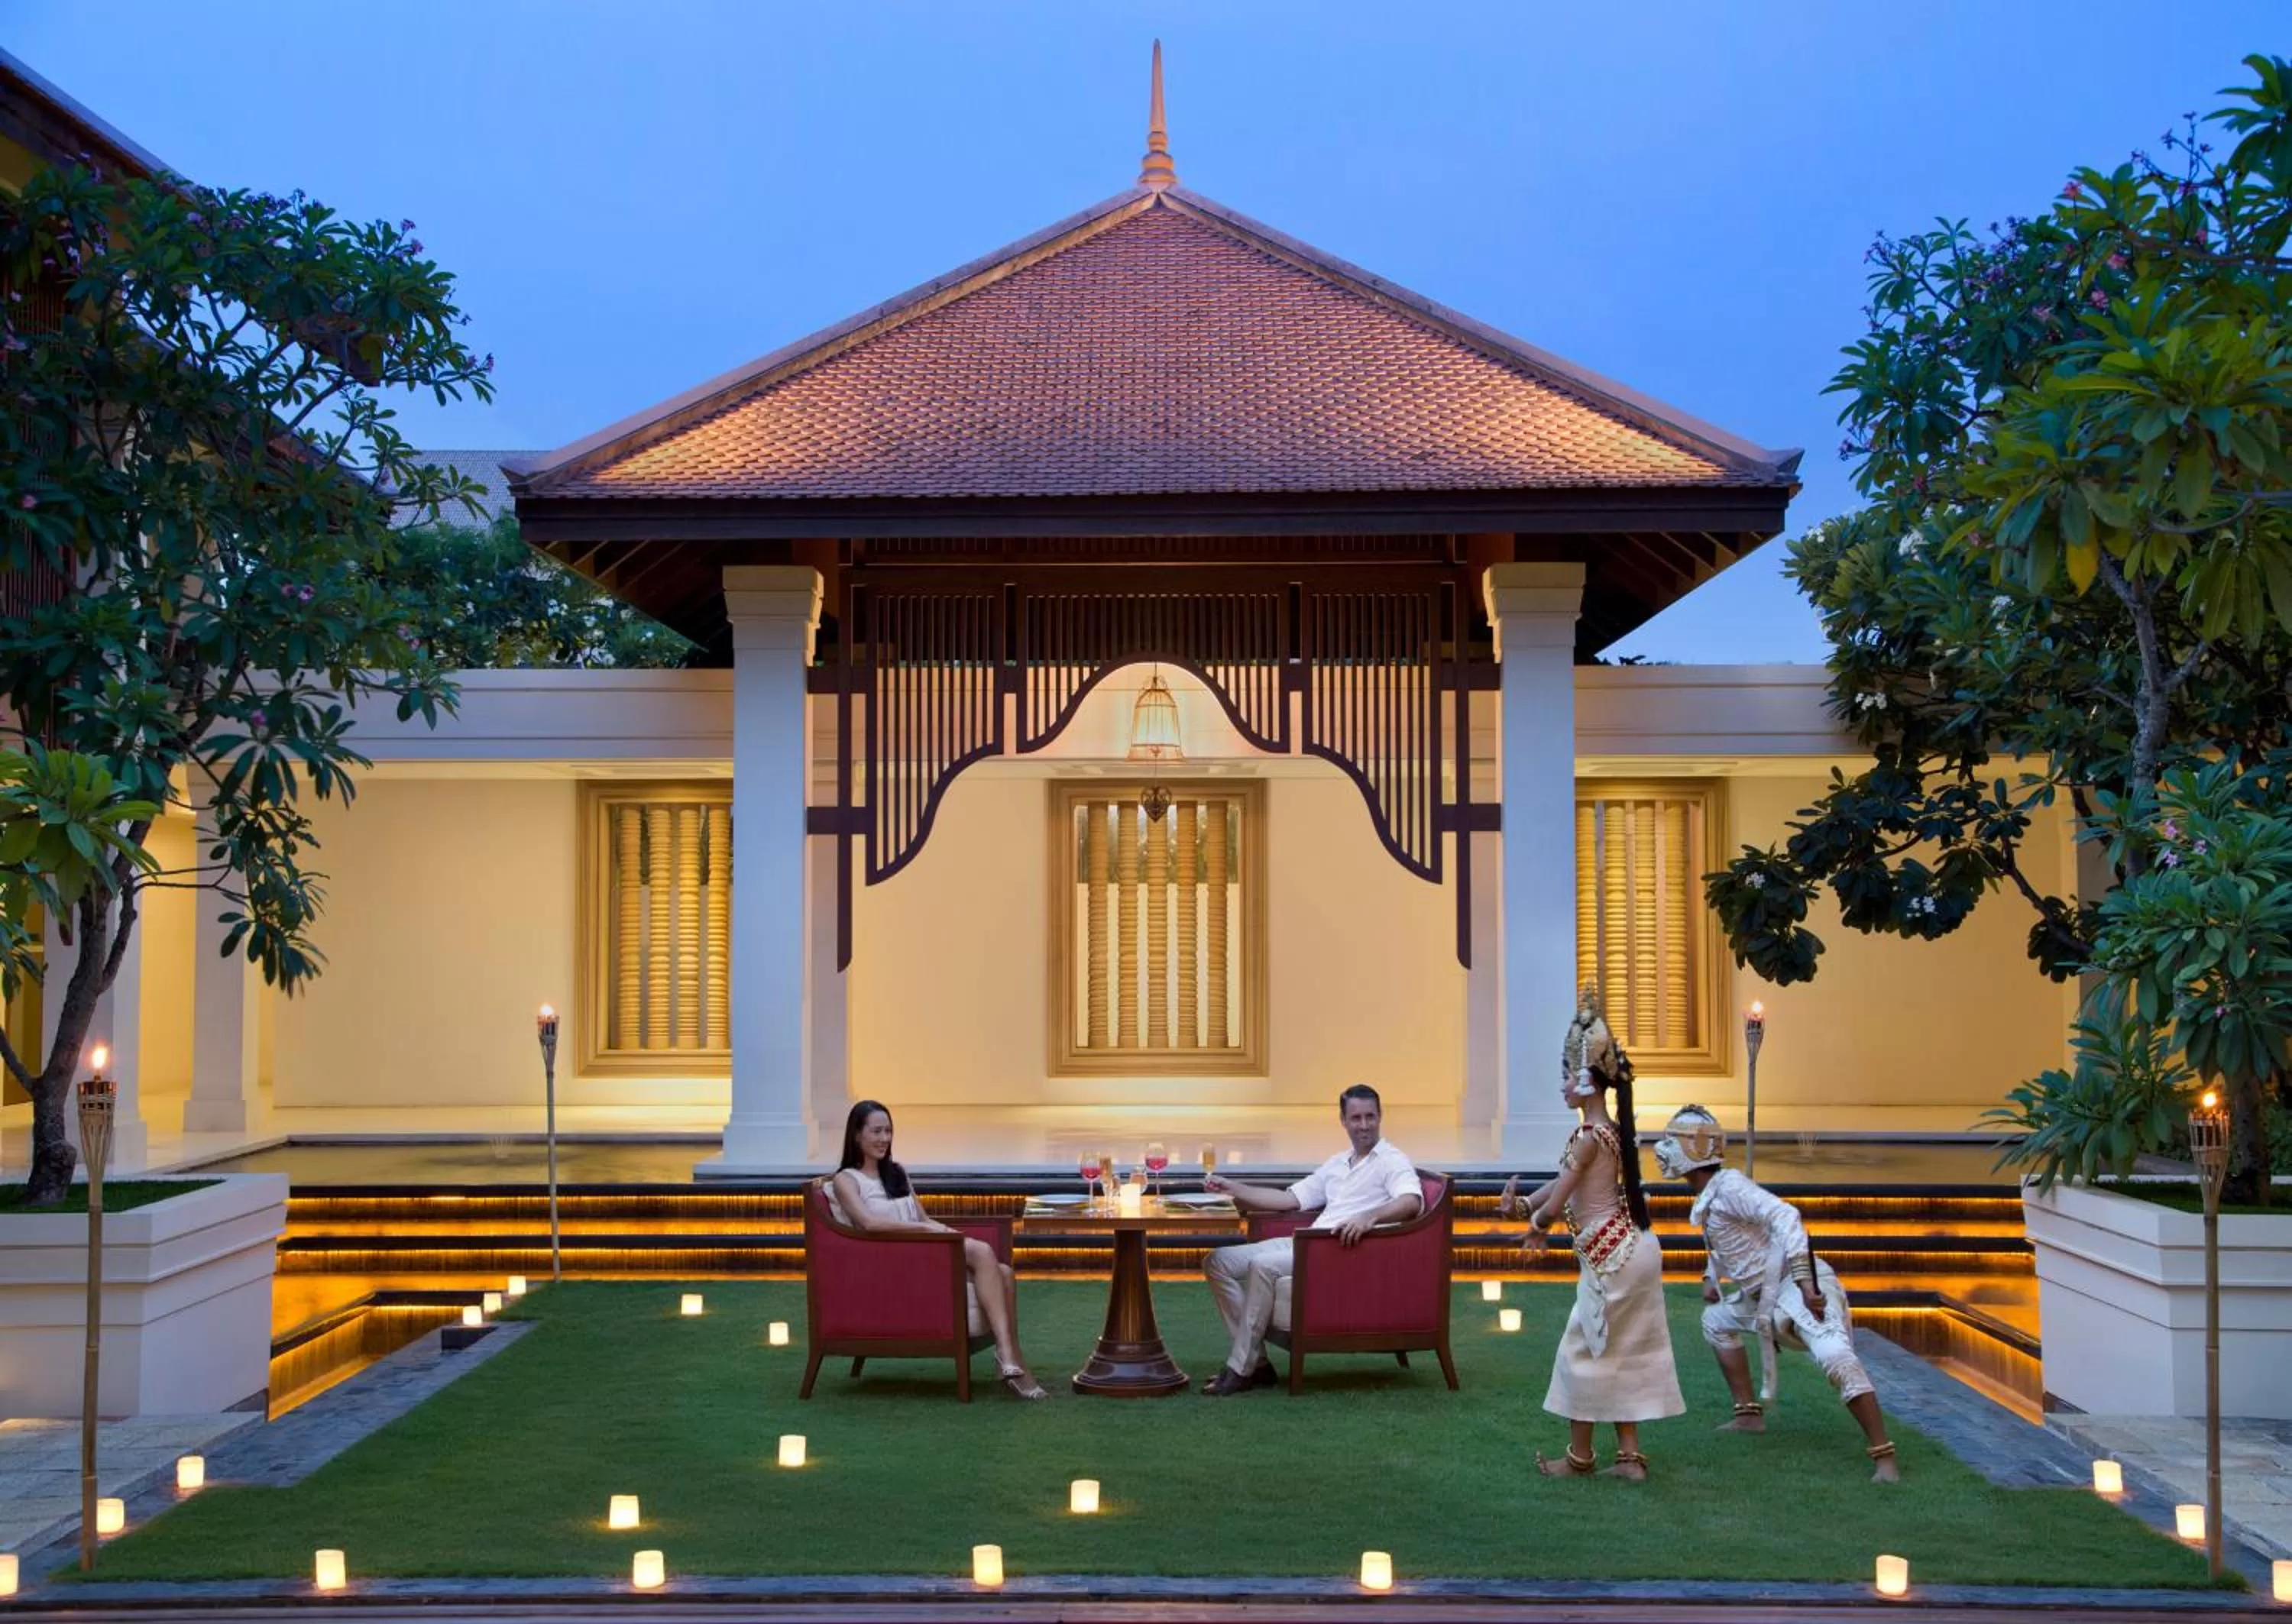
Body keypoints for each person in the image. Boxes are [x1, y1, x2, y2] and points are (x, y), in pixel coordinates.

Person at [1653, 1104, 1902, 1482]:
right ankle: (1749, 1415)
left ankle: (1884, 1458)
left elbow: (1786, 1217)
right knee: (1716, 1322)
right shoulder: (1712, 1191)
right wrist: (1710, 1275)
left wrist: (1805, 1285)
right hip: (1762, 1296)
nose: (1663, 1150)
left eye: (1672, 1142)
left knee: (1835, 1357)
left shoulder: (1731, 1186)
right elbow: (1732, 1241)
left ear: (1693, 1150)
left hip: (1793, 1287)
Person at [1500, 985, 1682, 1480]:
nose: (1560, 1087)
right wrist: (1520, 1207)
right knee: (1613, 1352)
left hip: (1612, 1257)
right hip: (1628, 1252)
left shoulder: (1588, 1138)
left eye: (1565, 1077)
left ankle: (1581, 1459)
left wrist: (1537, 1225)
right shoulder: (1604, 1134)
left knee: (1582, 1351)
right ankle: (1628, 1459)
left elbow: (1558, 1202)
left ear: (1585, 1082)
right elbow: (1557, 1190)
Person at [1197, 1084, 1423, 1397]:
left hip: (1336, 1251)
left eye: (1370, 1117)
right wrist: (1234, 1188)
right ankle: (1259, 1364)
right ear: (1343, 1120)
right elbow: (1289, 1199)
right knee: (1217, 1262)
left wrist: (1368, 1217)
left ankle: (1239, 1370)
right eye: (1356, 1118)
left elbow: (1411, 1201)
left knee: (1262, 1264)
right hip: (1304, 1245)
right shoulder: (1339, 1163)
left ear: (1381, 1116)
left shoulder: (1391, 1160)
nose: (1364, 1125)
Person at [826, 1100, 1048, 1401]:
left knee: (1004, 1272)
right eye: (876, 1131)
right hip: (893, 1263)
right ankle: (1008, 1357)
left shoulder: (896, 1173)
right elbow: (868, 1224)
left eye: (889, 1131)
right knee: (983, 1253)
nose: (884, 1139)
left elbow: (922, 1217)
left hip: (922, 1252)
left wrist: (941, 1230)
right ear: (856, 1135)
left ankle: (1011, 1361)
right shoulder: (845, 1180)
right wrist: (926, 1231)